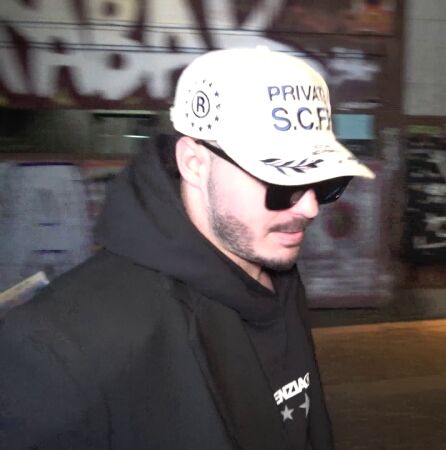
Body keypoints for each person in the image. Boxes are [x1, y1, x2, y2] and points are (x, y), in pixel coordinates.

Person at [0, 47, 374, 450]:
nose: (310, 207)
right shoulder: (61, 345)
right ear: (195, 163)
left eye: (324, 182)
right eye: (282, 181)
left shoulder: (274, 272)